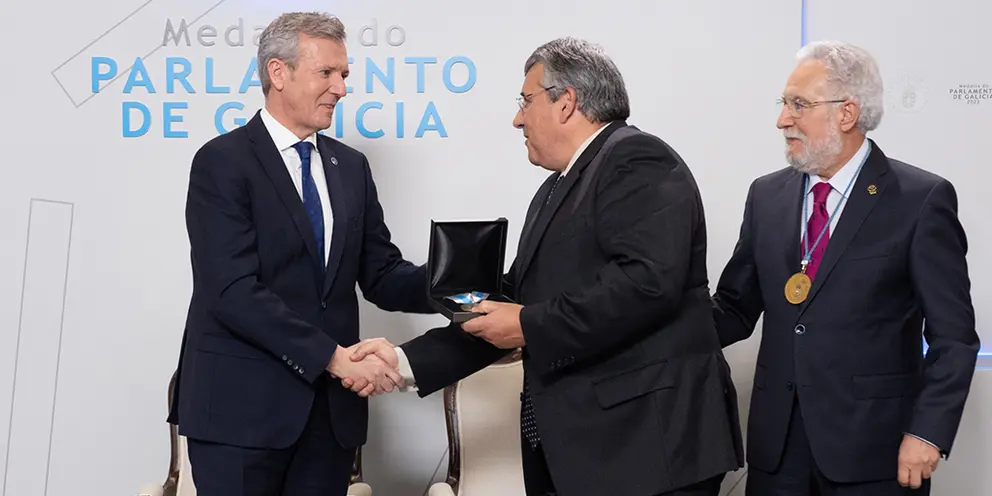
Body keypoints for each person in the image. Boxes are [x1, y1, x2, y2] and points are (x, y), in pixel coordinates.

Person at [348, 37, 744, 496]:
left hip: (648, 451)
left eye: (525, 100)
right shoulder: (557, 187)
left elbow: (645, 284)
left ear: (566, 102)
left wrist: (527, 324)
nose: (517, 118)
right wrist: (403, 361)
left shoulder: (638, 159)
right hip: (586, 452)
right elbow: (513, 304)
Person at [167, 12, 433, 496]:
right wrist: (333, 358)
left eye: (345, 74)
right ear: (278, 73)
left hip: (328, 418)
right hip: (240, 417)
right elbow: (231, 291)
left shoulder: (350, 168)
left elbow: (381, 273)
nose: (341, 88)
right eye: (327, 73)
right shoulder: (222, 162)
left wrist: (458, 283)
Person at [711, 40, 981, 496]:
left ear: (846, 113)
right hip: (777, 455)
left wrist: (928, 432)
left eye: (798, 104)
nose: (782, 119)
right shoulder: (766, 196)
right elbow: (735, 308)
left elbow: (954, 338)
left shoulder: (920, 200)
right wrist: (650, 328)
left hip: (874, 453)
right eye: (784, 104)